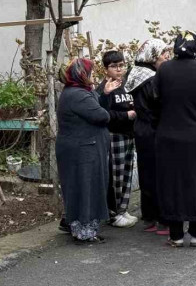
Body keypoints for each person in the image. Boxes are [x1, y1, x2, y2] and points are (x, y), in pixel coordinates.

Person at [154, 32, 196, 247]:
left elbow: (155, 96)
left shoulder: (164, 69)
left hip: (169, 136)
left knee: (172, 183)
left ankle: (175, 236)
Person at [56, 58, 112, 244]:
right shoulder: (78, 95)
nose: (92, 75)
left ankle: (81, 228)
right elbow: (101, 115)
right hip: (84, 151)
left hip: (82, 149)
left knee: (80, 188)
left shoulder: (75, 92)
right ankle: (85, 232)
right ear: (82, 74)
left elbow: (95, 103)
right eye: (90, 72)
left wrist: (101, 93)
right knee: (87, 188)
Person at [125, 39, 171, 234]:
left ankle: (149, 217)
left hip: (141, 129)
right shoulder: (151, 78)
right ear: (152, 56)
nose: (167, 57)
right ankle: (162, 218)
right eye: (163, 54)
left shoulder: (135, 73)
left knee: (146, 173)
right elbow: (157, 105)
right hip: (154, 129)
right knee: (160, 174)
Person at [95, 51, 138, 228]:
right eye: (114, 66)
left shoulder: (128, 85)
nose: (119, 69)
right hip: (113, 136)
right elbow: (101, 113)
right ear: (106, 69)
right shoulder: (103, 88)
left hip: (129, 135)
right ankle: (114, 213)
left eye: (121, 65)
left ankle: (123, 208)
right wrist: (125, 115)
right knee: (114, 175)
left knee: (127, 173)